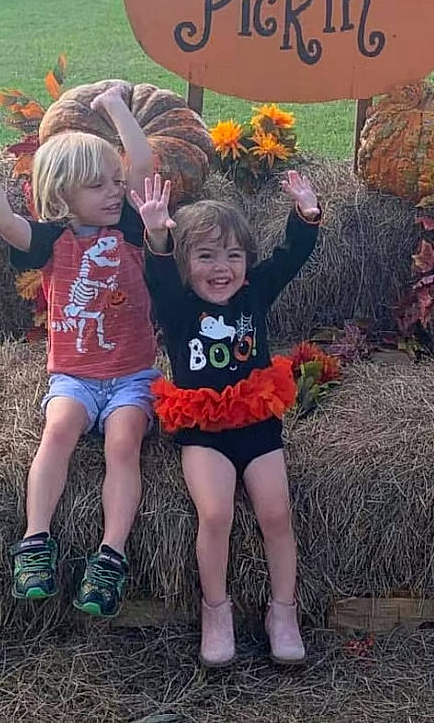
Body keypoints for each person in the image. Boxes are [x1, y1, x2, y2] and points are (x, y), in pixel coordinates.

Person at [0, 84, 158, 617]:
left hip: (132, 374)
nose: (113, 192)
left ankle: (111, 554)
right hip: (75, 376)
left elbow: (144, 166)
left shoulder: (130, 228)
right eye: (97, 186)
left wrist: (116, 111)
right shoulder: (50, 241)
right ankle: (36, 541)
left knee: (123, 442)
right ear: (61, 196)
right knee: (58, 429)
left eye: (114, 181)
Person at [132, 171, 321, 666]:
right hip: (202, 430)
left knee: (276, 513)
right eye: (207, 256)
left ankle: (284, 611)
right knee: (214, 514)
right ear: (185, 264)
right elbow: (155, 272)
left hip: (256, 423)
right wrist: (155, 232)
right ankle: (217, 611)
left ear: (246, 263)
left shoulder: (254, 294)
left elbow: (290, 258)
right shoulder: (177, 306)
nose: (222, 268)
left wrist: (305, 214)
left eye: (234, 256)